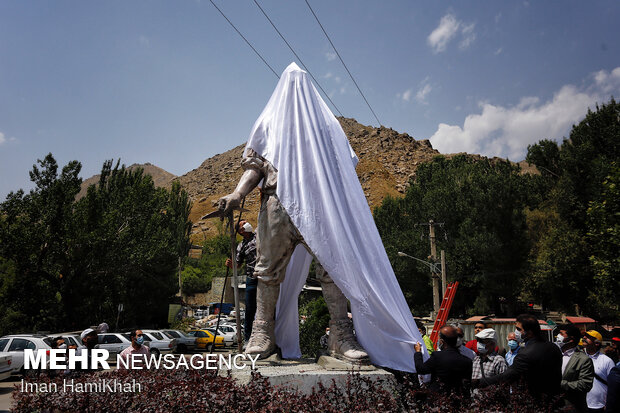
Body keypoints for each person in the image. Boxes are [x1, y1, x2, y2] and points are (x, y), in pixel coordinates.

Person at [479, 314, 562, 401]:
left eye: (519, 329)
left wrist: (481, 382)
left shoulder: (525, 354)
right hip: (555, 399)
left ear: (529, 333)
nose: (516, 332)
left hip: (535, 401)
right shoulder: (554, 347)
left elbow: (507, 377)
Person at [414, 325, 473, 394]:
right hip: (457, 398)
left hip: (439, 398)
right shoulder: (467, 361)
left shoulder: (437, 356)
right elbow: (466, 384)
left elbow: (421, 369)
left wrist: (418, 352)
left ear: (442, 341)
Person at [226, 220, 257, 342]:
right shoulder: (241, 246)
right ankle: (247, 339)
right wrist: (231, 264)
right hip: (251, 278)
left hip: (265, 276)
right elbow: (237, 265)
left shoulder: (259, 235)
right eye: (243, 223)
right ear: (241, 231)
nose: (247, 223)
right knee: (249, 309)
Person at [557, 324, 594, 412]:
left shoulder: (583, 360)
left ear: (571, 339)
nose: (558, 336)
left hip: (571, 407)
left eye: (562, 334)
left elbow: (585, 384)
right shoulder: (554, 353)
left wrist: (560, 384)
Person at [582, 330, 615, 412]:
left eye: (588, 337)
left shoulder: (607, 361)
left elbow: (614, 386)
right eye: (584, 336)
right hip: (580, 405)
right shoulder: (578, 358)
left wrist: (609, 404)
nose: (584, 338)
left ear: (596, 343)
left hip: (599, 406)